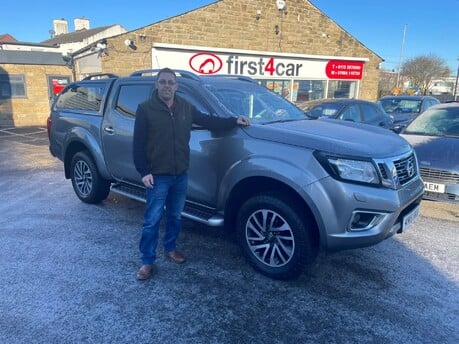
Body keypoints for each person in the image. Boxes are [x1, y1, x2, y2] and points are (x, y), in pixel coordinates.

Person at [133, 67, 250, 280]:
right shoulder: (145, 109)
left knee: (176, 216)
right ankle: (147, 261)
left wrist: (234, 120)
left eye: (171, 82)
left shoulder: (186, 108)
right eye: (163, 82)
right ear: (156, 85)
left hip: (180, 175)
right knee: (152, 220)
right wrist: (144, 171)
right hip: (157, 176)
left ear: (176, 86)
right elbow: (138, 143)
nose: (167, 86)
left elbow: (208, 120)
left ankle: (170, 249)